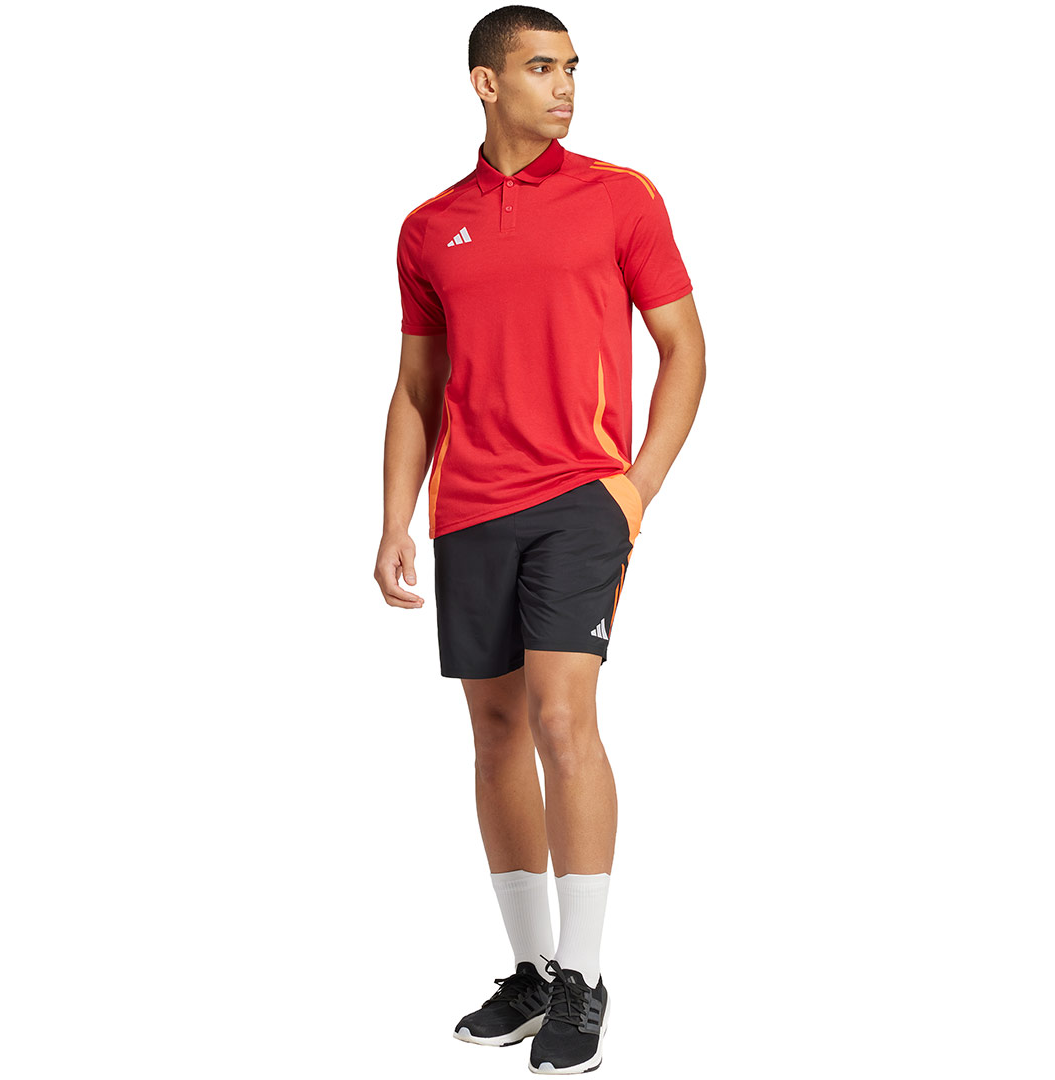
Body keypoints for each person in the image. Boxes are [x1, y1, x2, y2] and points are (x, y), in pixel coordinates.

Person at [374, 5, 705, 1073]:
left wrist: (635, 490)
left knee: (565, 716)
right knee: (495, 731)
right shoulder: (430, 226)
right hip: (469, 505)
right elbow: (418, 384)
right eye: (541, 67)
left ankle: (585, 977)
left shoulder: (621, 196)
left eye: (571, 68)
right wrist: (394, 518)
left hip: (579, 499)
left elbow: (685, 348)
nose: (564, 87)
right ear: (486, 82)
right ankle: (529, 969)